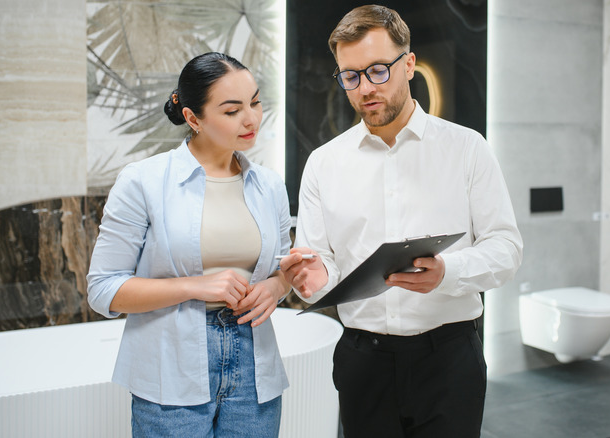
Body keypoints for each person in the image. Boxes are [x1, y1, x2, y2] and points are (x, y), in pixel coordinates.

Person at [279, 5, 523, 438]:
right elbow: (325, 264)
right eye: (349, 76)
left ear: (409, 64)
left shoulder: (467, 149)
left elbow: (506, 249)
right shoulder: (323, 164)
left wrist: (448, 272)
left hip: (449, 357)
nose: (364, 89)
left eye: (377, 70)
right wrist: (314, 277)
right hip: (362, 360)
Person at [87, 52, 291, 438]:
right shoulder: (142, 181)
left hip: (254, 372)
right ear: (193, 119)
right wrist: (196, 286)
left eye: (255, 102)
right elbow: (102, 289)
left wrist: (277, 286)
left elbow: (283, 270)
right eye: (232, 111)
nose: (251, 119)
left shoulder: (269, 185)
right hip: (170, 374)